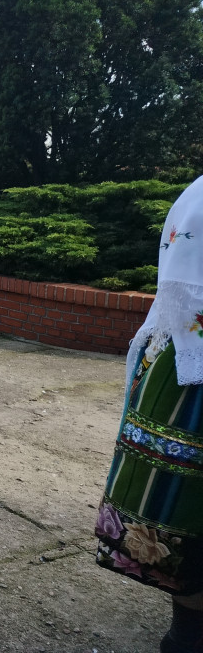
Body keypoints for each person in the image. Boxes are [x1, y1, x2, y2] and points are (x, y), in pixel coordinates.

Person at [94, 175, 203, 653]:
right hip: (190, 366)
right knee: (184, 518)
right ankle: (188, 633)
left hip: (183, 359)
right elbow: (185, 285)